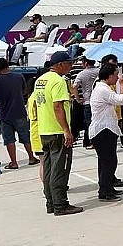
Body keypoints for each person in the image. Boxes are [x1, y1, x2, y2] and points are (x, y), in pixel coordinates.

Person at [35, 51, 82, 216]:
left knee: (48, 168)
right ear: (60, 64)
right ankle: (60, 204)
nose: (71, 66)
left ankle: (51, 203)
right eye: (69, 63)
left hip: (44, 129)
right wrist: (66, 130)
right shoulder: (58, 81)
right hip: (57, 131)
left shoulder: (41, 80)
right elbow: (57, 106)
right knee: (60, 168)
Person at [89, 63, 123, 201]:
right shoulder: (102, 89)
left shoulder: (103, 88)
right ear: (109, 75)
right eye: (116, 75)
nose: (117, 78)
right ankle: (105, 191)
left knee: (105, 161)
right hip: (103, 130)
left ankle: (108, 187)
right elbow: (122, 100)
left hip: (105, 129)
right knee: (109, 162)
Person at [0, 58, 39, 169]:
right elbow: (25, 91)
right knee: (26, 137)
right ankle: (31, 158)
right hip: (20, 112)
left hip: (4, 114)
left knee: (9, 140)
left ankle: (14, 162)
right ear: (7, 65)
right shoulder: (19, 76)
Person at [73, 58, 99, 149]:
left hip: (87, 101)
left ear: (86, 63)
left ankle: (91, 141)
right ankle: (96, 141)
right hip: (98, 100)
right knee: (97, 122)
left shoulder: (82, 74)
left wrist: (78, 99)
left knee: (89, 123)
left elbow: (74, 87)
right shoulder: (99, 72)